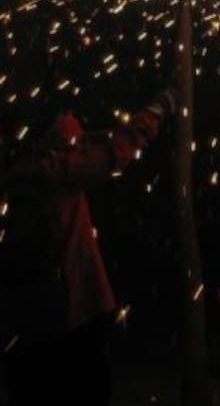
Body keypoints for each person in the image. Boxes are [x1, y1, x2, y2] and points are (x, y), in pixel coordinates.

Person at [0, 92, 170, 406]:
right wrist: (155, 112)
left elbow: (97, 141)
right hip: (66, 317)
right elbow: (114, 152)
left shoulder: (26, 170)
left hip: (27, 323)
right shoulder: (54, 172)